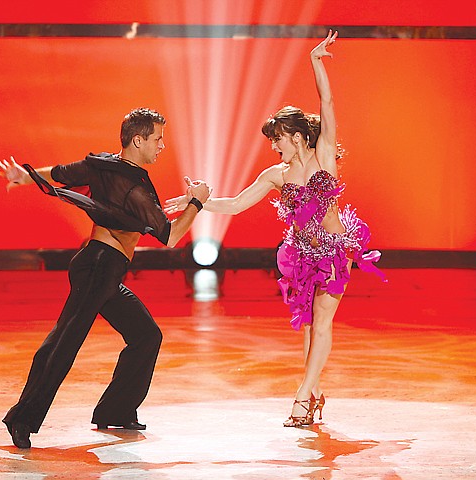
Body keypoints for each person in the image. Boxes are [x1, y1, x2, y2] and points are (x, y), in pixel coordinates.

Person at [164, 31, 385, 427]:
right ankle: (313, 392)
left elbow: (328, 103)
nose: (274, 146)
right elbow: (233, 204)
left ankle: (302, 398)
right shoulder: (276, 174)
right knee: (307, 331)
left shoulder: (323, 157)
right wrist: (196, 202)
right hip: (301, 257)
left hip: (333, 252)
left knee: (322, 322)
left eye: (277, 139)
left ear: (297, 137)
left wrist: (315, 62)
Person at [0, 107, 211, 448]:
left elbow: (59, 173)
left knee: (146, 335)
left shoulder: (109, 169)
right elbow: (170, 236)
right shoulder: (131, 181)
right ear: (138, 140)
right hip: (99, 266)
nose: (162, 146)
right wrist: (197, 203)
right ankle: (22, 418)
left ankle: (115, 410)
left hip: (104, 269)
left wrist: (24, 176)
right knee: (63, 344)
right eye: (157, 139)